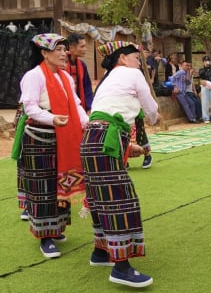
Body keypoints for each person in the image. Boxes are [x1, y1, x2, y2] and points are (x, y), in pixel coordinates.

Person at [80, 41, 159, 288]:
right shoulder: (130, 73)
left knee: (100, 196)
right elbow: (151, 109)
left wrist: (127, 146)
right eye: (136, 57)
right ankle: (121, 267)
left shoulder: (107, 79)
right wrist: (156, 117)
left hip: (91, 139)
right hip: (107, 139)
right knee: (120, 199)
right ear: (122, 59)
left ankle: (101, 252)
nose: (139, 63)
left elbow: (106, 115)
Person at [12, 33, 88, 259]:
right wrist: (51, 118)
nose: (65, 53)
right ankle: (44, 237)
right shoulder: (33, 76)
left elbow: (75, 104)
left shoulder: (66, 77)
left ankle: (55, 229)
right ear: (44, 53)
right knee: (43, 187)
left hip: (64, 135)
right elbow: (30, 107)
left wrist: (88, 124)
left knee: (59, 183)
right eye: (59, 50)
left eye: (65, 49)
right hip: (39, 138)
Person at [66, 33, 94, 112]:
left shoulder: (82, 65)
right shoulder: (61, 65)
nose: (85, 49)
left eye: (85, 46)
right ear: (71, 48)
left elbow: (87, 88)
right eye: (82, 46)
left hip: (80, 106)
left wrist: (89, 107)